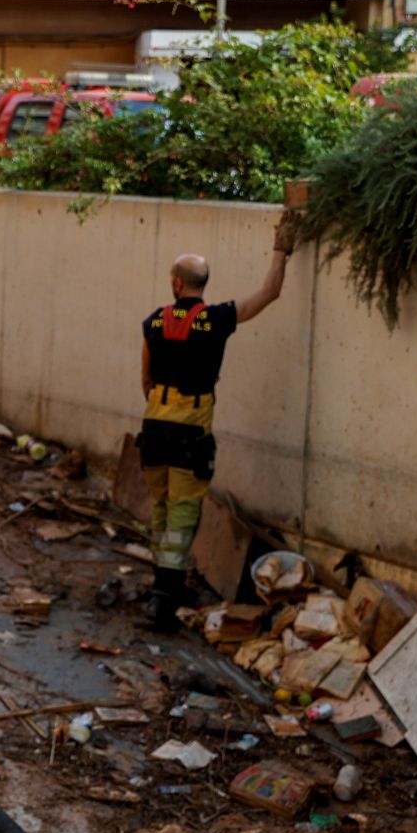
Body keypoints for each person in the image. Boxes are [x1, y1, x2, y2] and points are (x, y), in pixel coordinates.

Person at [138, 223, 296, 629]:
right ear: (201, 285)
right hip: (190, 434)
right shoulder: (215, 319)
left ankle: (163, 586)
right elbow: (269, 293)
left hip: (154, 428)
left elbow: (146, 379)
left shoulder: (154, 322)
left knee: (161, 509)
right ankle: (163, 601)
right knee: (182, 516)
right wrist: (281, 249)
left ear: (176, 283)